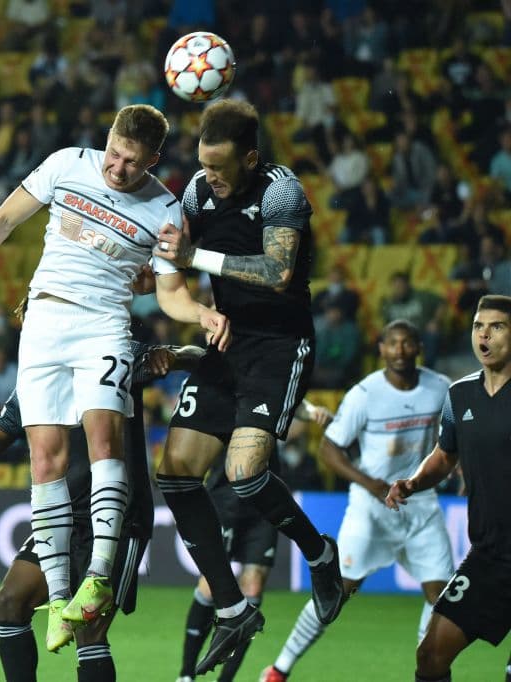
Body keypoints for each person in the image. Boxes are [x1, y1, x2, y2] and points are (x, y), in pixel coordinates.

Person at [0, 103, 229, 653]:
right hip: (43, 318)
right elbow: (2, 220)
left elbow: (168, 292)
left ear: (153, 160)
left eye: (132, 163)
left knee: (103, 438)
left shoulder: (164, 207)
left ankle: (97, 577)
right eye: (114, 153)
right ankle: (62, 600)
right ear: (106, 138)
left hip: (104, 325)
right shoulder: (67, 163)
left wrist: (199, 312)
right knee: (45, 459)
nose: (117, 168)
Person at [152, 99, 344, 675]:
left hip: (280, 345)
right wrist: (167, 280)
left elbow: (279, 272)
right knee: (176, 471)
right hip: (228, 340)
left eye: (220, 169)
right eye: (204, 166)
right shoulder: (195, 192)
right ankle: (232, 606)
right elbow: (176, 267)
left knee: (244, 473)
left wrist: (196, 256)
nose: (210, 178)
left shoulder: (282, 190)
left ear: (252, 158)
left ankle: (321, 555)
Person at [0, 338, 203, 681]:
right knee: (10, 601)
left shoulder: (113, 348)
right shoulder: (34, 378)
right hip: (63, 512)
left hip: (119, 516)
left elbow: (196, 355)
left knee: (89, 629)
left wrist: (171, 355)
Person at [261, 320, 455, 682]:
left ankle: (425, 672)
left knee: (440, 596)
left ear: (419, 348)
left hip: (422, 505)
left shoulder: (440, 388)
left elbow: (453, 439)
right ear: (380, 349)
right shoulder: (364, 395)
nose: (399, 350)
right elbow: (328, 448)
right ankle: (278, 669)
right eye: (392, 343)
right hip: (371, 510)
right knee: (337, 594)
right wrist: (373, 485)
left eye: (407, 343)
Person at [386, 295, 511, 682]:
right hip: (490, 556)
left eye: (496, 326)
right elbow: (445, 454)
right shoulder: (459, 395)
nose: (484, 335)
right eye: (478, 326)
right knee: (431, 655)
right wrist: (413, 481)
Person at [176, 399, 331, 682]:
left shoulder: (268, 376)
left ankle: (226, 680)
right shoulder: (228, 379)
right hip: (224, 498)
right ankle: (186, 675)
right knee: (211, 587)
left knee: (254, 586)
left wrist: (309, 411)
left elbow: (287, 394)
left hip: (263, 500)